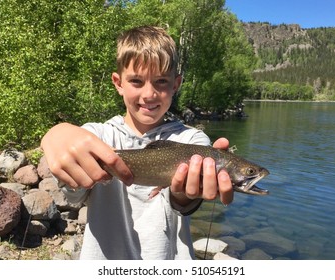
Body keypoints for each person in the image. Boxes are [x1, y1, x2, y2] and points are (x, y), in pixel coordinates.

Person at [41, 26, 234, 260]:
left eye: (161, 81)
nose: (149, 94)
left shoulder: (193, 141)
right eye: (136, 81)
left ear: (176, 84)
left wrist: (185, 194)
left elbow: (181, 203)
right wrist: (55, 134)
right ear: (118, 82)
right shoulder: (95, 136)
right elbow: (73, 196)